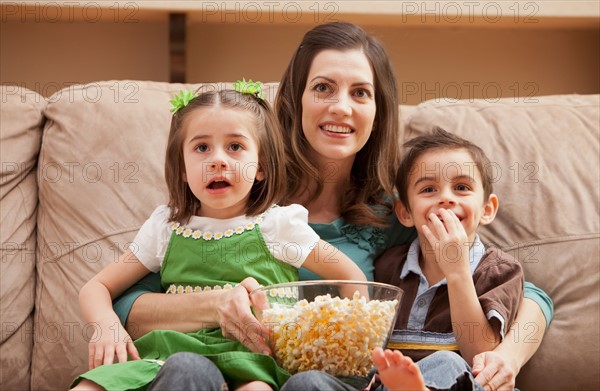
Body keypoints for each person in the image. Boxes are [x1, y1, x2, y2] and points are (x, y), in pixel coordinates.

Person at [111, 22, 553, 391]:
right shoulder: (242, 190)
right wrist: (215, 304)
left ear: (378, 112)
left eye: (360, 93)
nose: (340, 107)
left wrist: (505, 356)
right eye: (323, 87)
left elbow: (517, 287)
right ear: (293, 99)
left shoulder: (393, 214)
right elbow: (128, 301)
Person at [70, 85, 368, 391]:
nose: (218, 161)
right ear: (183, 170)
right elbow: (97, 286)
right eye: (202, 148)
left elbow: (351, 277)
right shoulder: (166, 226)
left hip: (249, 361)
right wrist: (106, 326)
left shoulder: (279, 225)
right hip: (167, 356)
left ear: (261, 166)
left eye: (235, 147)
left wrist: (345, 347)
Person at [370, 127, 524, 391]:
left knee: (447, 363)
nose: (446, 198)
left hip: (462, 382)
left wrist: (457, 272)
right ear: (405, 212)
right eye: (429, 189)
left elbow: (480, 354)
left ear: (487, 209)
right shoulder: (388, 267)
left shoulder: (500, 270)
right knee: (308, 380)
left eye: (462, 187)